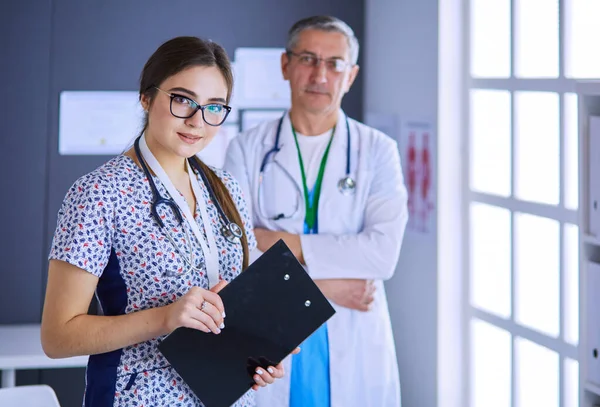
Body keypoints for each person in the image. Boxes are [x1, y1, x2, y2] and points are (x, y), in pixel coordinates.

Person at [41, 36, 295, 407]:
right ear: (146, 98)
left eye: (214, 107)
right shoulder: (98, 193)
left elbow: (232, 306)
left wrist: (261, 351)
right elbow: (57, 337)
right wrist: (164, 318)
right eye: (182, 100)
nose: (197, 121)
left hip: (226, 395)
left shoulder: (227, 189)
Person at [224, 15, 408, 407]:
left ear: (351, 74)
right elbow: (238, 257)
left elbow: (381, 254)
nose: (320, 74)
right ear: (285, 65)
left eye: (334, 63)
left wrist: (282, 241)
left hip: (354, 336)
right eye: (307, 58)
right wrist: (329, 287)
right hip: (273, 336)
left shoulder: (377, 151)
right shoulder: (247, 149)